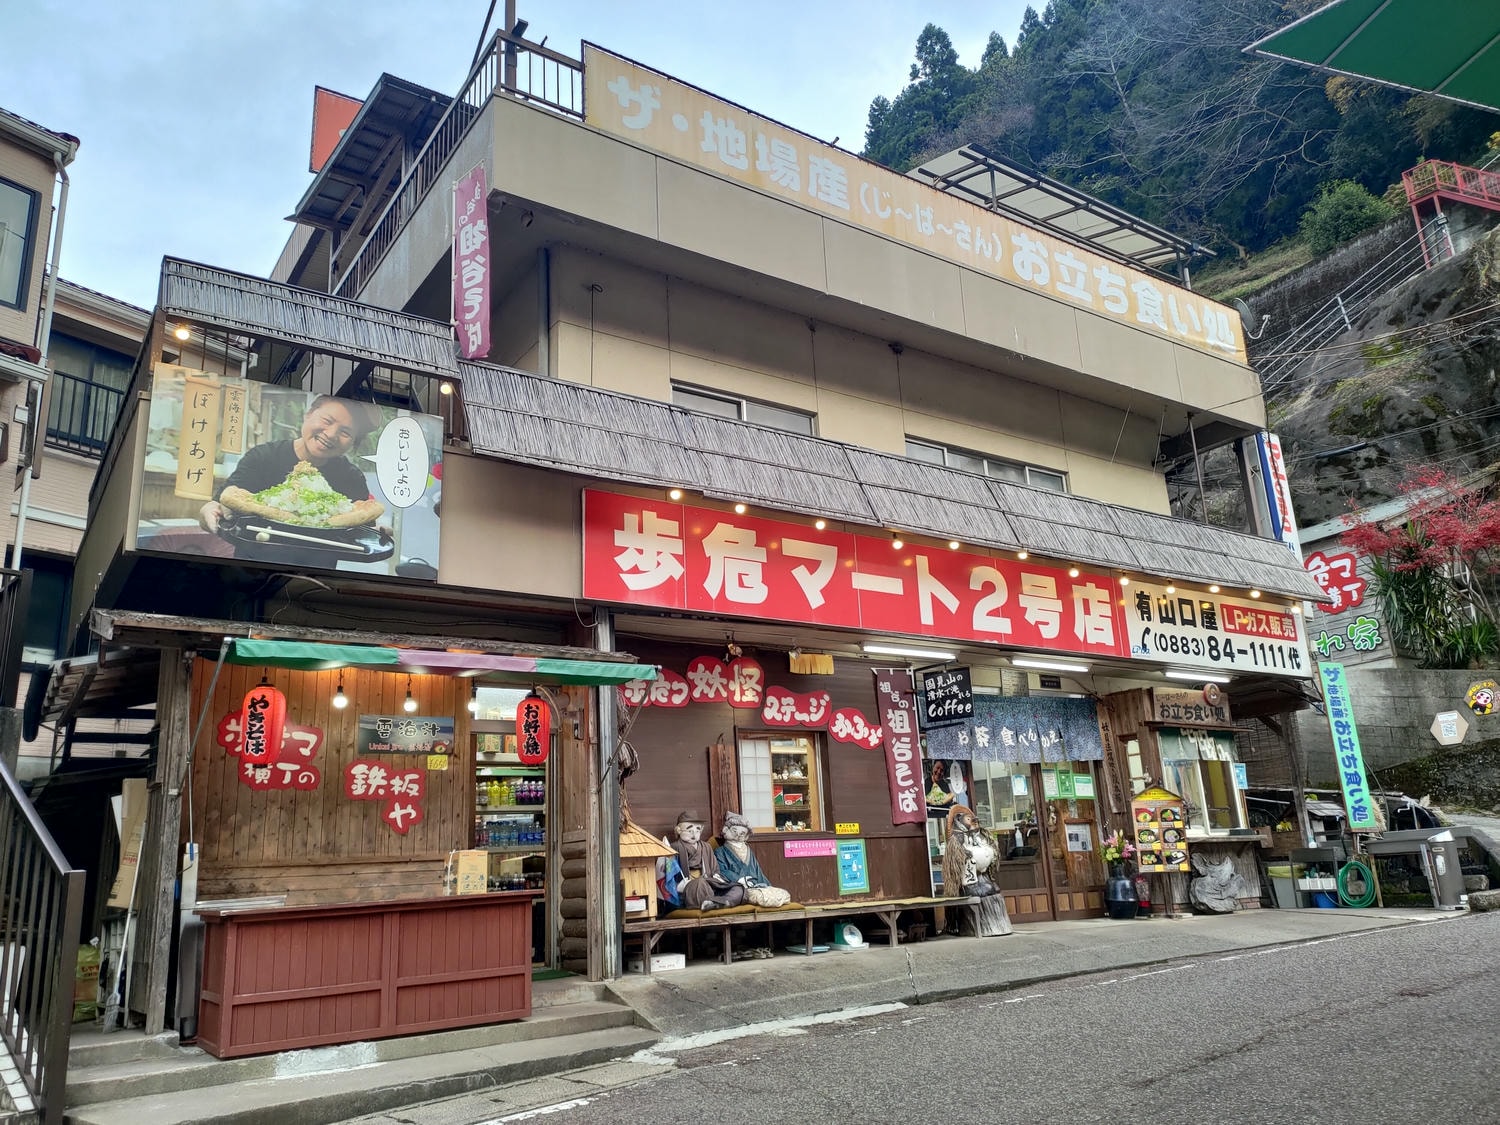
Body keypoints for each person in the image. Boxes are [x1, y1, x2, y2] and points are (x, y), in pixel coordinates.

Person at [197, 395, 382, 564]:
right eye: (327, 420)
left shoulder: (351, 477)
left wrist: (379, 533)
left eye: (345, 432)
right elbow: (221, 506)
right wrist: (209, 511)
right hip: (252, 572)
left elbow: (364, 530)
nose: (331, 434)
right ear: (308, 414)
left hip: (315, 579)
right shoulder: (263, 457)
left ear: (353, 441)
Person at [667, 810, 745, 911]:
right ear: (679, 830)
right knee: (700, 883)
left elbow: (715, 870)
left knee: (738, 888)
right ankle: (712, 903)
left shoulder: (706, 847)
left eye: (697, 829)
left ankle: (718, 902)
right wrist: (678, 885)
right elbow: (669, 876)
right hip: (688, 887)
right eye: (689, 830)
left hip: (709, 883)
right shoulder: (674, 847)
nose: (694, 834)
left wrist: (718, 878)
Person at [714, 811, 791, 908]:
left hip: (756, 885)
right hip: (739, 888)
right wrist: (739, 879)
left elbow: (758, 871)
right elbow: (721, 871)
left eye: (742, 833)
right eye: (734, 831)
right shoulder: (720, 851)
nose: (738, 835)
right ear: (726, 830)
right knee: (761, 897)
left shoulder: (748, 850)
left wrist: (767, 886)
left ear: (746, 836)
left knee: (784, 895)